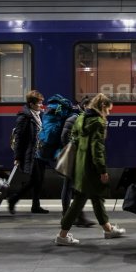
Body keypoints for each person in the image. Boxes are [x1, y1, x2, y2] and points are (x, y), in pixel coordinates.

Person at [54, 93, 126, 245]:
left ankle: (108, 229)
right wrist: (102, 170)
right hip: (91, 168)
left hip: (81, 165)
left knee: (97, 197)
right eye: (108, 109)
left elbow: (74, 138)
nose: (109, 112)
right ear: (102, 107)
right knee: (79, 202)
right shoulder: (98, 122)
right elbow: (97, 149)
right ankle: (62, 235)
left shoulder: (81, 118)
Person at [8, 90, 50, 214]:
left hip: (40, 152)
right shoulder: (25, 117)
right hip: (31, 153)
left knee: (39, 180)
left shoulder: (37, 115)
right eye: (39, 103)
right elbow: (19, 138)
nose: (41, 105)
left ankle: (35, 206)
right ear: (31, 104)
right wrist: (17, 157)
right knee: (35, 180)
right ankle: (14, 199)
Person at [59, 96, 95, 227]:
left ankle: (73, 216)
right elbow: (64, 138)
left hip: (79, 157)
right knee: (71, 187)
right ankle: (70, 216)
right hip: (74, 157)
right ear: (85, 106)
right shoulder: (74, 118)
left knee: (72, 186)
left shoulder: (82, 118)